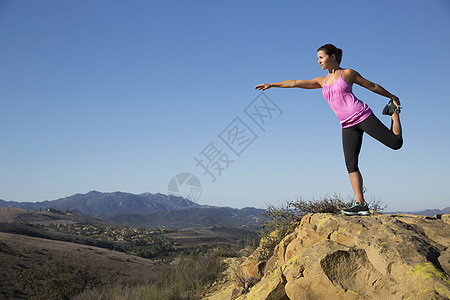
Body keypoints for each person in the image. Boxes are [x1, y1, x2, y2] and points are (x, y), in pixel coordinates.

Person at [255, 44, 403, 216]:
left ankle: (394, 113)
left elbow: (372, 86)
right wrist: (271, 85)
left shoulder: (347, 73)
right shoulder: (321, 81)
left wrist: (391, 97)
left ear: (332, 57)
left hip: (362, 116)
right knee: (350, 164)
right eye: (317, 58)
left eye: (321, 57)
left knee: (395, 143)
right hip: (347, 125)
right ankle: (360, 204)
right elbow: (294, 82)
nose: (318, 61)